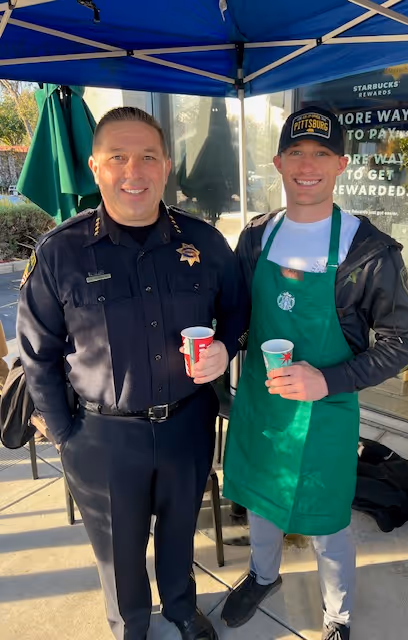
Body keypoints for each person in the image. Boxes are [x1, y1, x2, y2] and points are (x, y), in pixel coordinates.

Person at [17, 107, 244, 640]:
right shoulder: (60, 253)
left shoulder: (205, 243)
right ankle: (130, 626)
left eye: (147, 157)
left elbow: (237, 312)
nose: (133, 171)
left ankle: (183, 610)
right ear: (95, 166)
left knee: (180, 531)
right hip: (102, 435)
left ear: (166, 165)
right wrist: (66, 435)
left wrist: (226, 349)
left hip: (188, 423)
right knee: (117, 550)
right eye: (117, 157)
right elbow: (37, 353)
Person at [220, 106, 408, 640]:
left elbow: (404, 345)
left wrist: (327, 380)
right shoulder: (257, 236)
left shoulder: (368, 250)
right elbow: (241, 315)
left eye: (321, 154)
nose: (306, 165)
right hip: (262, 403)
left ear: (341, 164)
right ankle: (263, 575)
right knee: (261, 503)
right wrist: (223, 347)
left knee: (329, 520)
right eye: (295, 153)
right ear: (277, 162)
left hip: (326, 411)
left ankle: (338, 616)